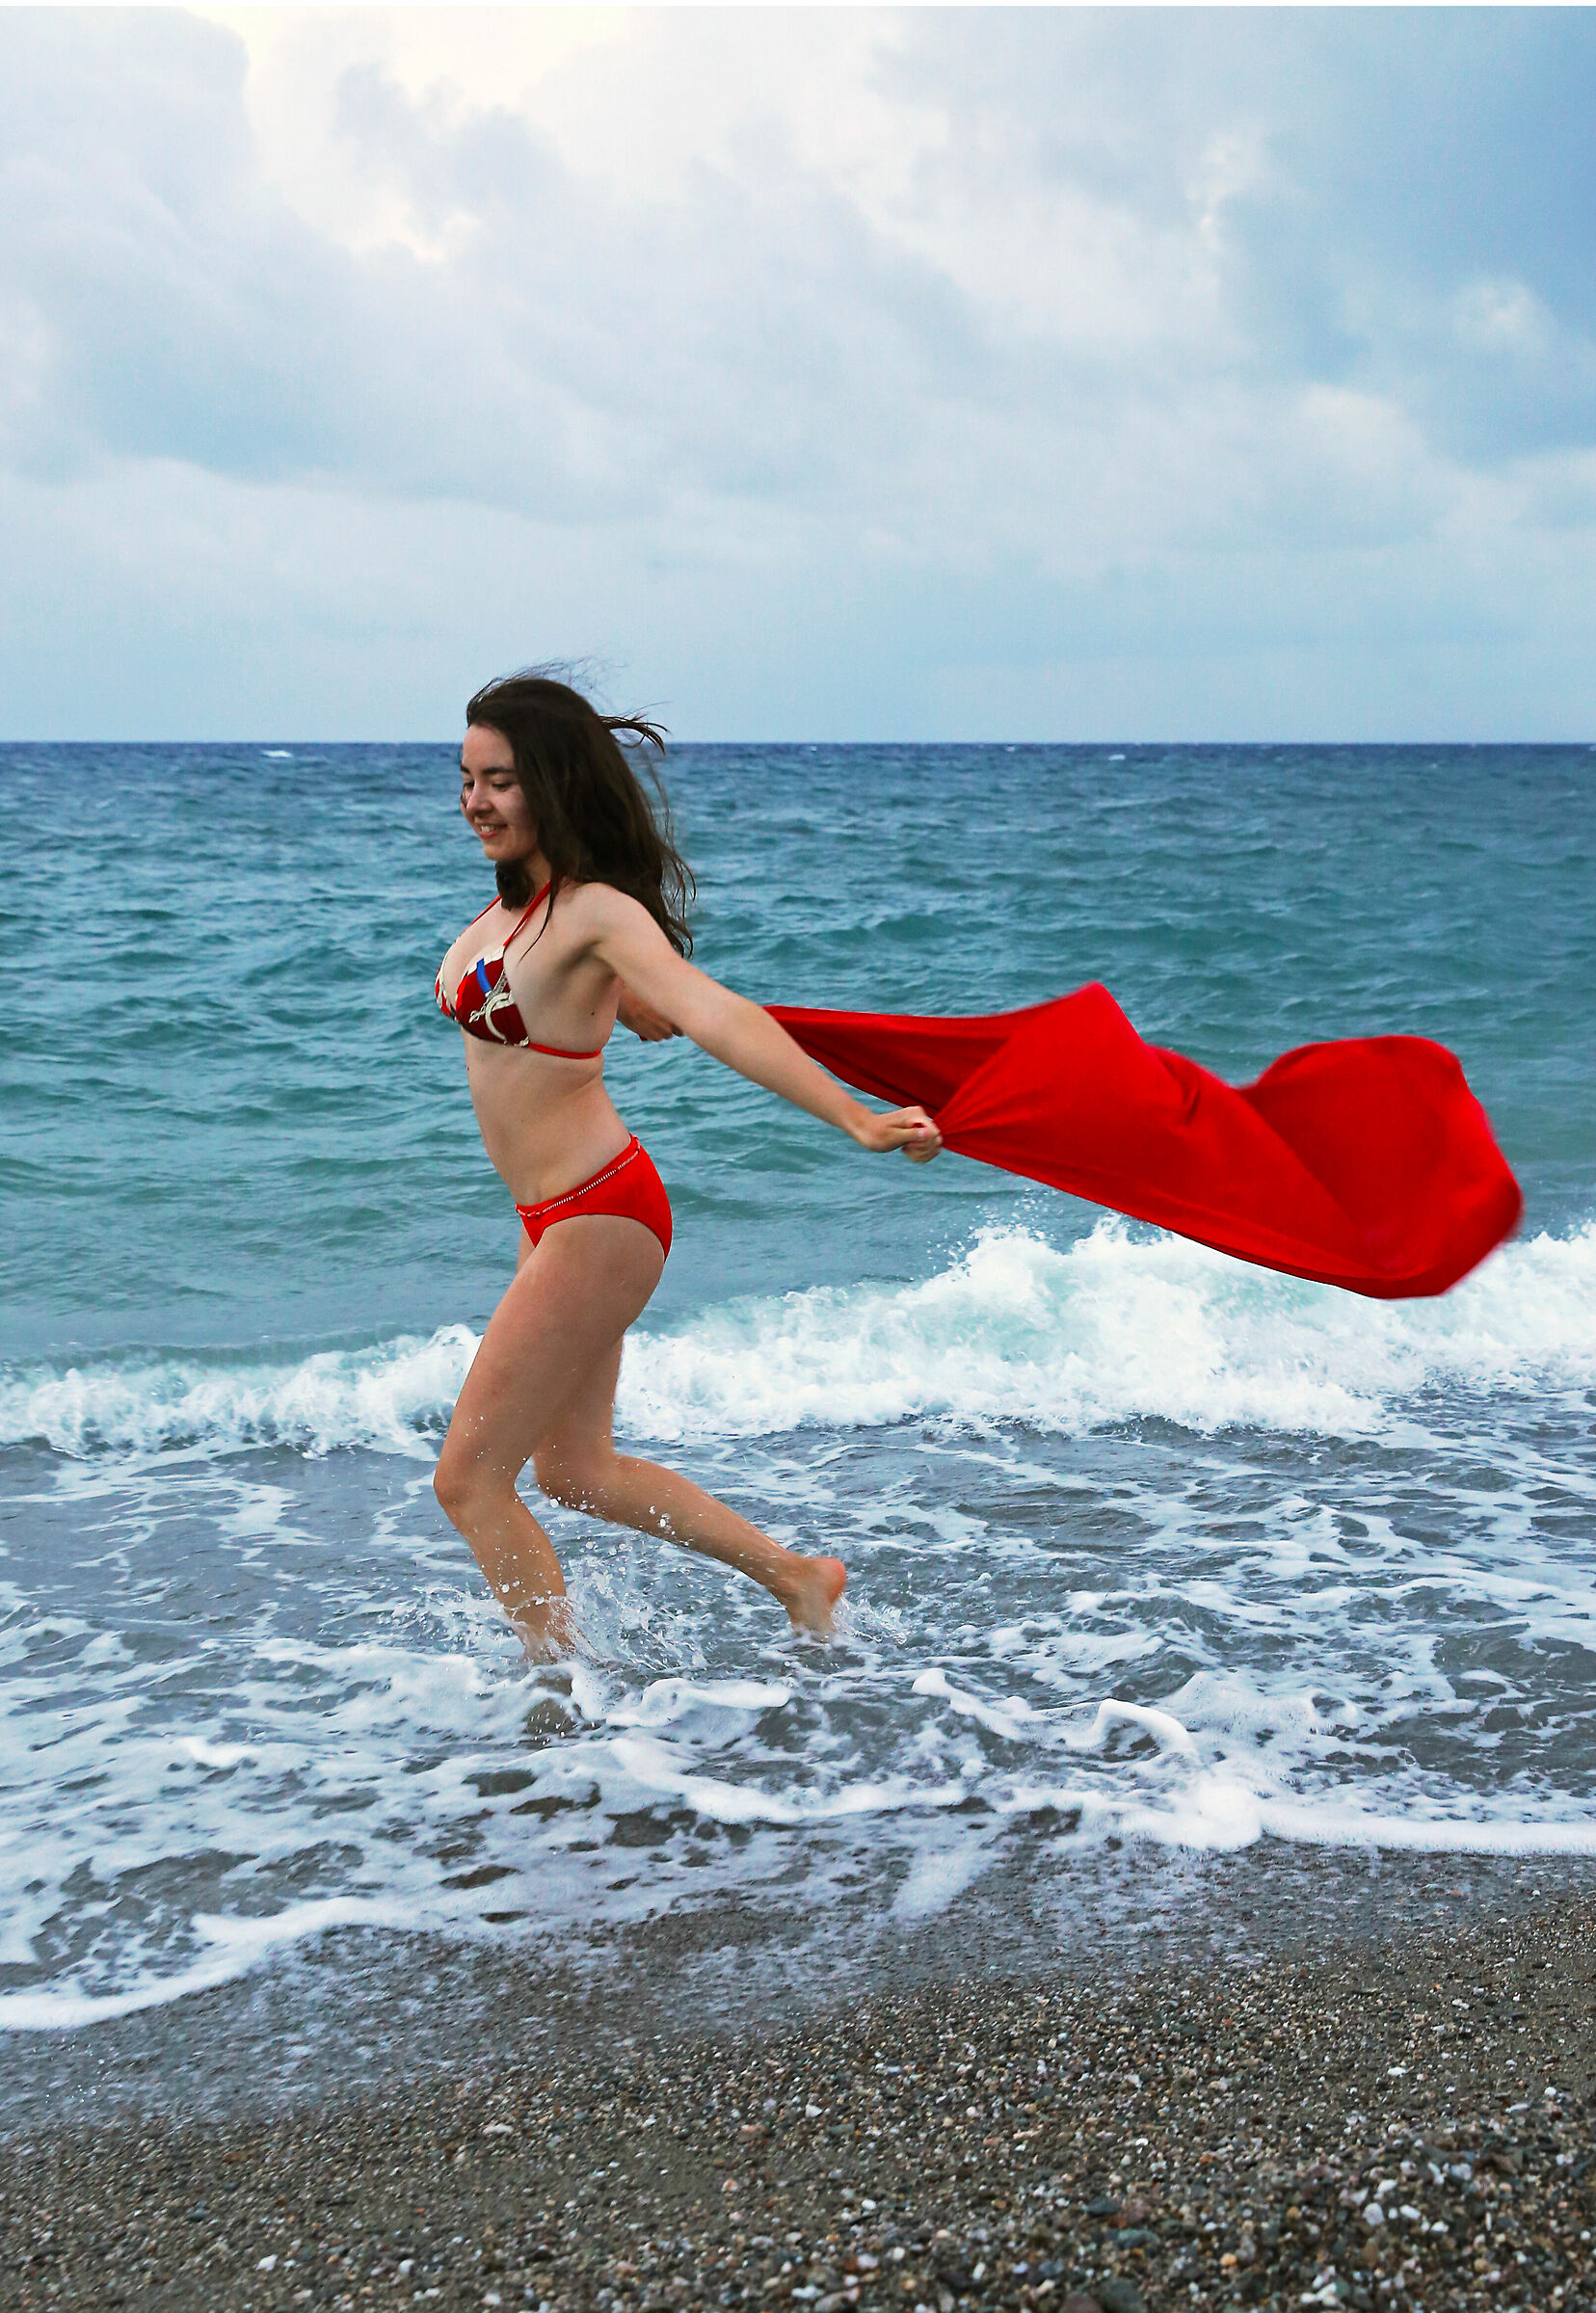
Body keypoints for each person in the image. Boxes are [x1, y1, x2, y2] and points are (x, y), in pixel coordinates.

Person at [432, 672, 942, 1659]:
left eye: (499, 781)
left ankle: (554, 1700)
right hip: (550, 1220)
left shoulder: (596, 912)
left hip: (600, 1214)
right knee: (574, 1473)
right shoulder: (519, 912)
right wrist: (617, 999)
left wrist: (857, 1119)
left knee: (468, 1481)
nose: (476, 802)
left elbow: (715, 1013)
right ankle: (799, 1578)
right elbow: (553, 999)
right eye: (466, 780)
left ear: (551, 783)